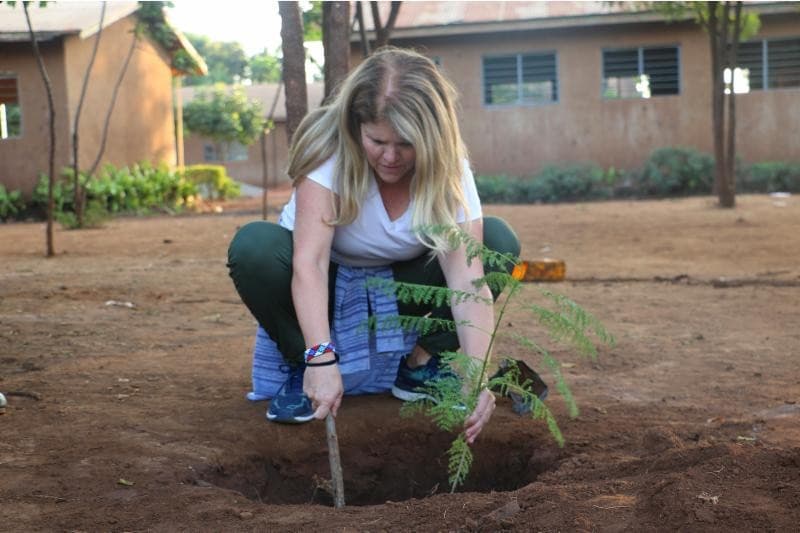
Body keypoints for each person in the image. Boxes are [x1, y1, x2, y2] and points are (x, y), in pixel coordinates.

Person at [227, 47, 520, 444]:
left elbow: (468, 282)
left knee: (497, 244)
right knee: (254, 247)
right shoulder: (329, 155)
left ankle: (423, 363)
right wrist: (321, 356)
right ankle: (304, 367)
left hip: (402, 286)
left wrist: (476, 371)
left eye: (407, 144)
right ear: (355, 127)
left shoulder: (450, 170)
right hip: (325, 283)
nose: (391, 157)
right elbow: (309, 263)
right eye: (377, 140)